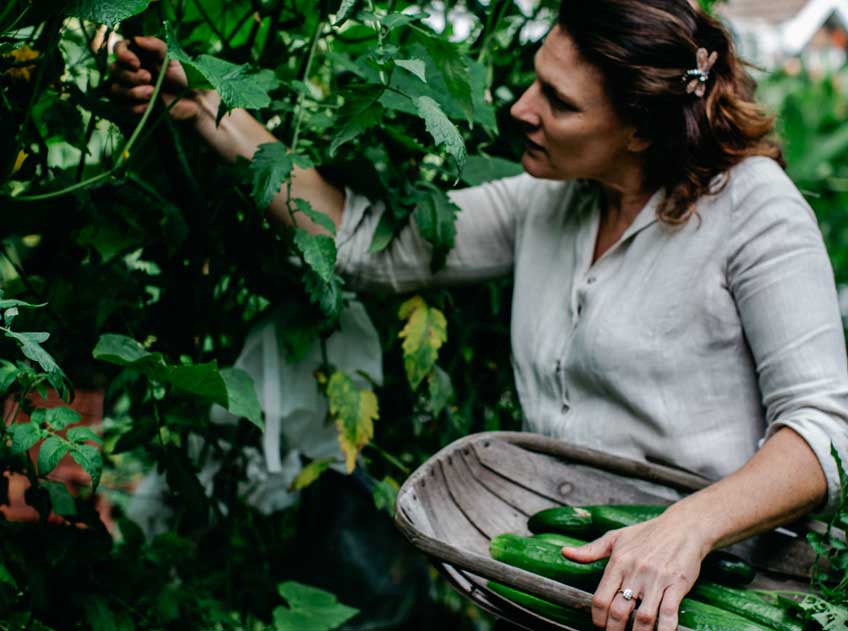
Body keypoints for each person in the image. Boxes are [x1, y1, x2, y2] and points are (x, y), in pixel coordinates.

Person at [109, 1, 848, 630]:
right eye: (535, 80)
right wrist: (206, 107)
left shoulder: (753, 208)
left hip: (702, 597)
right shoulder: (549, 202)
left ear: (641, 130)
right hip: (560, 589)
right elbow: (362, 243)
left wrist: (684, 530)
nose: (521, 109)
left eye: (558, 102)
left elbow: (824, 431)